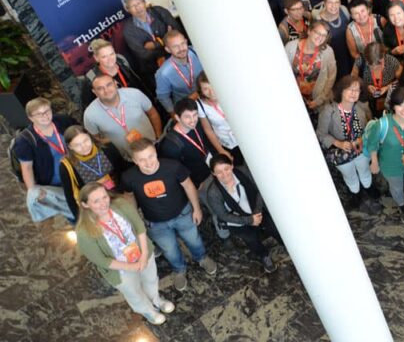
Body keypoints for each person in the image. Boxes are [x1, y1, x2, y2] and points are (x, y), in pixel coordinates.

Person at [118, 139, 217, 291]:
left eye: (151, 156)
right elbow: (129, 197)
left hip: (183, 214)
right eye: (142, 160)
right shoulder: (129, 177)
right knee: (169, 250)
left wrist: (197, 208)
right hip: (156, 223)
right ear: (134, 161)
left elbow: (189, 186)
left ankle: (202, 257)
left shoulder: (173, 166)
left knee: (194, 239)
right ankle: (179, 269)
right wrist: (136, 222)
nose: (148, 162)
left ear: (155, 153)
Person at [74, 183, 176, 325]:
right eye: (96, 201)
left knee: (151, 279)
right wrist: (132, 267)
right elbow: (102, 260)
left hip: (142, 253)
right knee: (134, 292)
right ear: (85, 205)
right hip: (120, 270)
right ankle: (147, 310)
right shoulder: (84, 232)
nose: (103, 203)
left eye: (104, 197)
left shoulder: (121, 204)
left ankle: (156, 300)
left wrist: (144, 254)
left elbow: (139, 227)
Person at [199, 154, 281, 272]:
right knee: (252, 241)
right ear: (213, 174)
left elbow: (258, 190)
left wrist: (256, 213)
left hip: (255, 211)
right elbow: (223, 215)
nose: (224, 174)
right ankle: (264, 256)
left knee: (274, 228)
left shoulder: (243, 172)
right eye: (219, 172)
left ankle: (287, 245)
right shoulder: (213, 193)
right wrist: (249, 220)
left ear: (232, 166)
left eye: (226, 169)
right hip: (238, 223)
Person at [317, 75, 379, 212]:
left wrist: (362, 139)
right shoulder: (329, 110)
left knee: (364, 171)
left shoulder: (362, 107)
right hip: (342, 153)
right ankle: (355, 193)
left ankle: (368, 188)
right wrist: (338, 143)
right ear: (341, 91)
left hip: (361, 148)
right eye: (350, 89)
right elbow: (321, 134)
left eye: (357, 90)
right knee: (350, 175)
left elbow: (371, 127)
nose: (353, 93)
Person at [363, 87, 404, 216]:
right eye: (400, 105)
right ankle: (401, 205)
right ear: (393, 106)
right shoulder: (382, 124)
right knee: (396, 187)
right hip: (391, 164)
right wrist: (374, 162)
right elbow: (372, 144)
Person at [14, 98, 77, 222]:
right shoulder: (25, 140)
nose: (45, 116)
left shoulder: (63, 121)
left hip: (77, 170)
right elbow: (26, 168)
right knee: (72, 210)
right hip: (57, 182)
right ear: (31, 118)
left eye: (47, 111)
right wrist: (33, 191)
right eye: (39, 114)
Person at [156, 98, 217, 186]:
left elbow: (206, 144)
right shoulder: (170, 146)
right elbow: (176, 172)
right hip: (199, 182)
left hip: (211, 168)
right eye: (187, 117)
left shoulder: (198, 124)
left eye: (195, 115)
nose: (193, 120)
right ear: (177, 117)